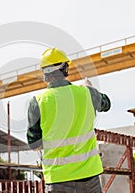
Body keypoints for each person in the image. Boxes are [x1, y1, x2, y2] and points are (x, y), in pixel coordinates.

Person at [27, 48, 111, 193]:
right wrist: (90, 89)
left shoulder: (37, 102)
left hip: (58, 179)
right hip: (89, 177)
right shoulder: (87, 94)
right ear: (65, 68)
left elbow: (34, 144)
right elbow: (106, 104)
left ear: (44, 74)